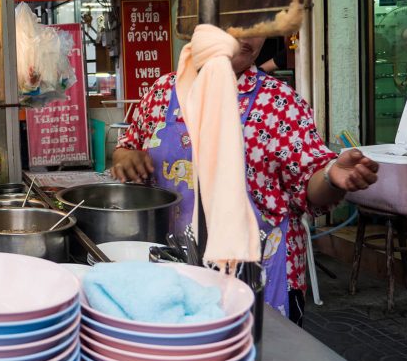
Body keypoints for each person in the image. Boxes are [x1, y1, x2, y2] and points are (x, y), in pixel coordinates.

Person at [111, 35, 379, 325]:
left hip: (259, 275)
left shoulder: (279, 102)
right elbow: (128, 145)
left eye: (259, 23)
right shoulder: (163, 91)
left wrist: (331, 176)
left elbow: (310, 187)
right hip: (171, 275)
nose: (249, 34)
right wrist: (124, 157)